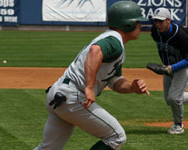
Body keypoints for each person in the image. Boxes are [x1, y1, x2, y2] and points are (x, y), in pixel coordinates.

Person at [34, 1, 149, 150]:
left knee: (48, 148)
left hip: (61, 94)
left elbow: (115, 81)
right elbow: (95, 51)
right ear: (127, 24)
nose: (140, 26)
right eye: (137, 22)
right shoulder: (114, 41)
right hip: (73, 97)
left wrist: (132, 87)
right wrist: (89, 87)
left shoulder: (113, 41)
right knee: (116, 137)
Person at [150, 7, 188, 134]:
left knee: (174, 98)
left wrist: (172, 68)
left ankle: (178, 125)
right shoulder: (155, 31)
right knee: (169, 100)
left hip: (185, 66)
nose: (157, 24)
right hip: (170, 66)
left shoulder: (181, 34)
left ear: (168, 20)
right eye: (156, 21)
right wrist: (168, 66)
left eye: (160, 21)